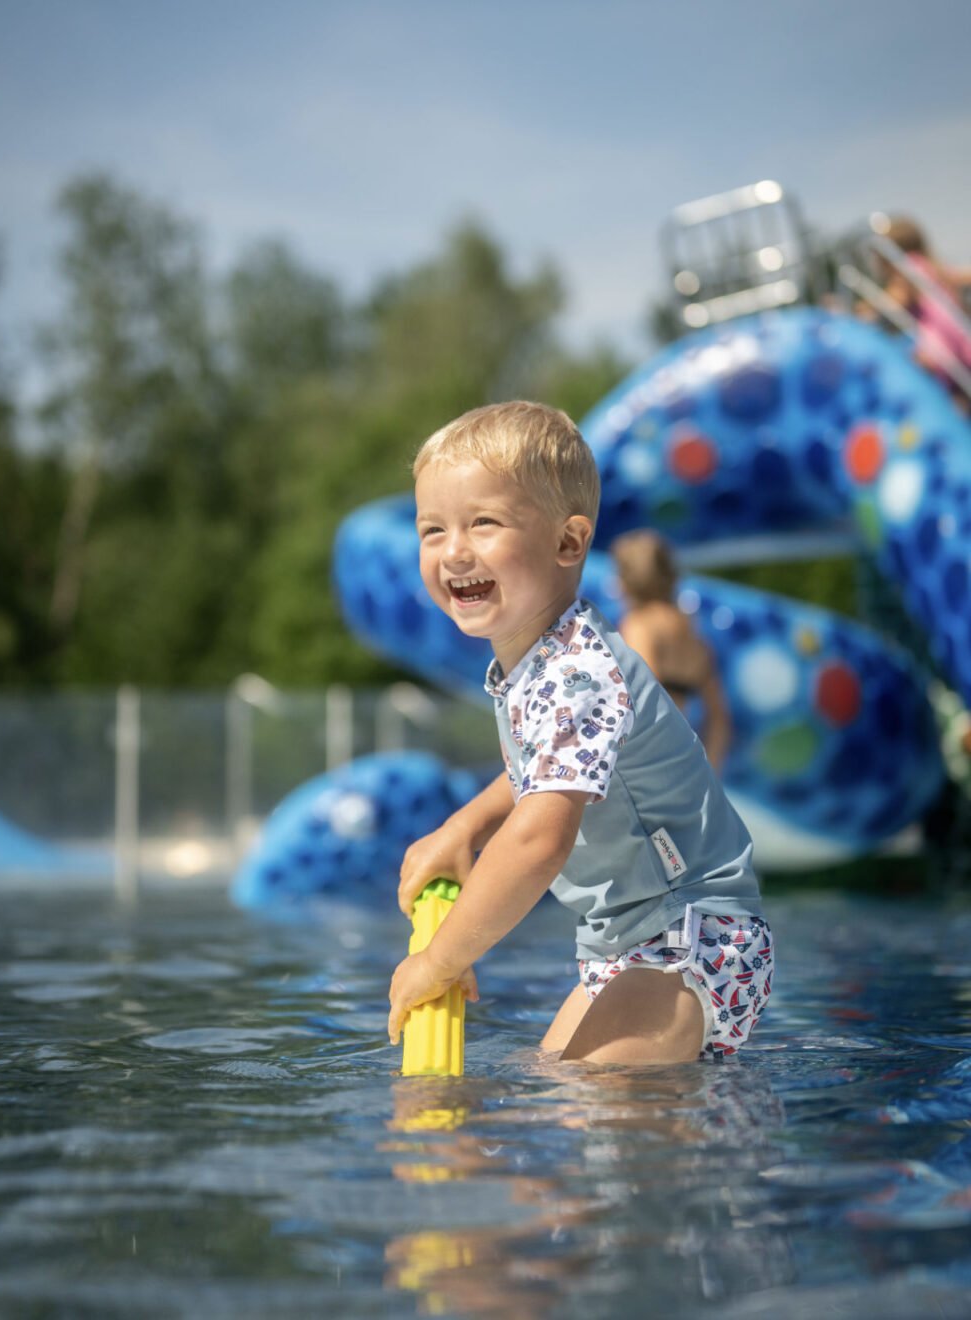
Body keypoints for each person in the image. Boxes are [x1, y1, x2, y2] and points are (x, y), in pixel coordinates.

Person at [386, 401, 772, 1066]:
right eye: (432, 529)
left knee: (580, 1104)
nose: (454, 551)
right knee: (551, 1090)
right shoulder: (539, 666)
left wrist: (442, 958)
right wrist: (462, 829)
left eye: (483, 523)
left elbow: (539, 839)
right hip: (621, 950)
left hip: (692, 940)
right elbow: (543, 765)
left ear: (568, 543)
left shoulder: (575, 670)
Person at [610, 529, 731, 771]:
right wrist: (711, 772)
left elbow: (644, 697)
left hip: (641, 759)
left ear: (626, 581)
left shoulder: (640, 623)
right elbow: (720, 720)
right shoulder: (692, 633)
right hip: (676, 759)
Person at [860, 215, 971, 404]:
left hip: (937, 346)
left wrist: (866, 309)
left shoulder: (906, 270)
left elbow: (894, 301)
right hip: (960, 335)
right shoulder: (930, 265)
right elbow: (960, 276)